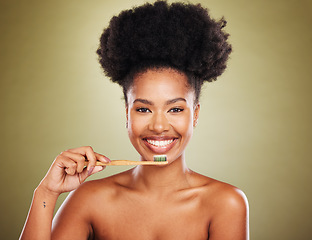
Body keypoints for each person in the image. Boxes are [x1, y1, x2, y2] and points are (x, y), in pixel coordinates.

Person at [20, 1, 249, 239]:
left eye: (175, 109)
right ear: (126, 114)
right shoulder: (90, 199)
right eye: (143, 110)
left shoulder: (226, 203)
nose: (159, 126)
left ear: (196, 115)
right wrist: (46, 192)